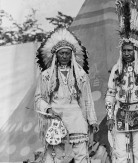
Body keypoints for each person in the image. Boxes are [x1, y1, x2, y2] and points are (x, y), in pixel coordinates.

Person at [105, 0, 138, 162]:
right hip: (121, 114)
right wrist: (109, 116)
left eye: (130, 50)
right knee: (120, 153)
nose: (127, 53)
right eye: (124, 50)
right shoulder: (117, 70)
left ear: (136, 50)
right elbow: (110, 94)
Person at [35, 27, 98, 163]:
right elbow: (38, 98)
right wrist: (49, 109)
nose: (64, 56)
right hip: (56, 118)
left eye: (67, 53)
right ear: (56, 55)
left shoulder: (80, 74)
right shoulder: (46, 75)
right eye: (61, 53)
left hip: (76, 116)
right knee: (56, 156)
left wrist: (91, 120)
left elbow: (87, 98)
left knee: (81, 154)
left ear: (72, 55)